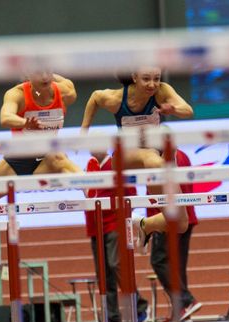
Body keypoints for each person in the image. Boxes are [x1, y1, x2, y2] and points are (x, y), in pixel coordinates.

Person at [81, 67, 194, 253]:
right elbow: (94, 97)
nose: (152, 84)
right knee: (153, 158)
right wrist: (84, 130)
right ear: (134, 77)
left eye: (156, 79)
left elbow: (187, 110)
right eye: (146, 79)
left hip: (153, 158)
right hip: (125, 157)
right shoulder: (117, 99)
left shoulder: (161, 90)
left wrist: (173, 109)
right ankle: (155, 183)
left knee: (181, 224)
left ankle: (144, 224)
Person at [0, 71, 79, 205]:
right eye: (39, 73)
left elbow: (62, 82)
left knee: (58, 157)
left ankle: (90, 186)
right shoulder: (17, 94)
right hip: (18, 161)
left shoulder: (65, 92)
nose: (44, 77)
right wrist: (25, 123)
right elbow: (5, 117)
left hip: (47, 159)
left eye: (47, 72)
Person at [84, 154, 149, 322]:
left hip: (114, 224)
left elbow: (131, 194)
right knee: (103, 272)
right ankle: (111, 314)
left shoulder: (116, 165)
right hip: (95, 227)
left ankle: (139, 305)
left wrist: (126, 219)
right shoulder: (90, 166)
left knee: (116, 264)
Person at [148, 149, 201, 322]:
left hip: (168, 219)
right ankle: (182, 312)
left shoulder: (155, 160)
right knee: (177, 266)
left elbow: (157, 193)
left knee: (159, 260)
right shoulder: (184, 155)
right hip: (188, 216)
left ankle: (186, 299)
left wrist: (151, 223)